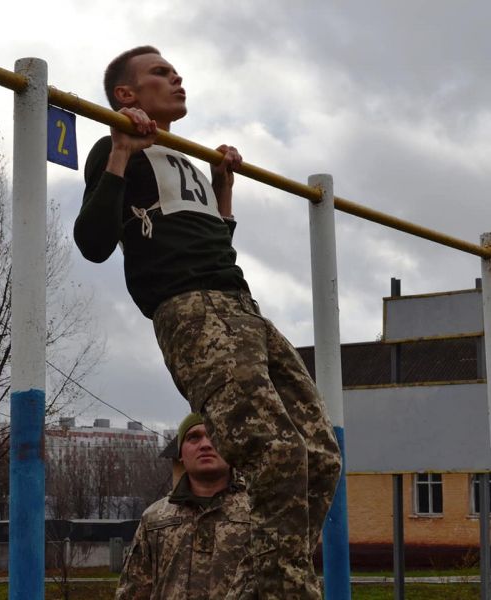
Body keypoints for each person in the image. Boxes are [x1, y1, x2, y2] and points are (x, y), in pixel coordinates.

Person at [74, 45, 342, 599]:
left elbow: (211, 247)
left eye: (176, 71)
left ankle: (270, 577)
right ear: (127, 95)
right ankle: (282, 589)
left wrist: (223, 191)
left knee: (319, 453)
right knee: (275, 451)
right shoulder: (115, 147)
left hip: (240, 306)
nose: (177, 79)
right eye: (161, 74)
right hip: (191, 310)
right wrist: (123, 149)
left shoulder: (184, 158)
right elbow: (93, 243)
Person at [115, 413, 251, 600]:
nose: (205, 444)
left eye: (214, 434)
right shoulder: (155, 519)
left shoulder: (259, 513)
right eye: (193, 437)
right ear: (180, 454)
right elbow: (132, 592)